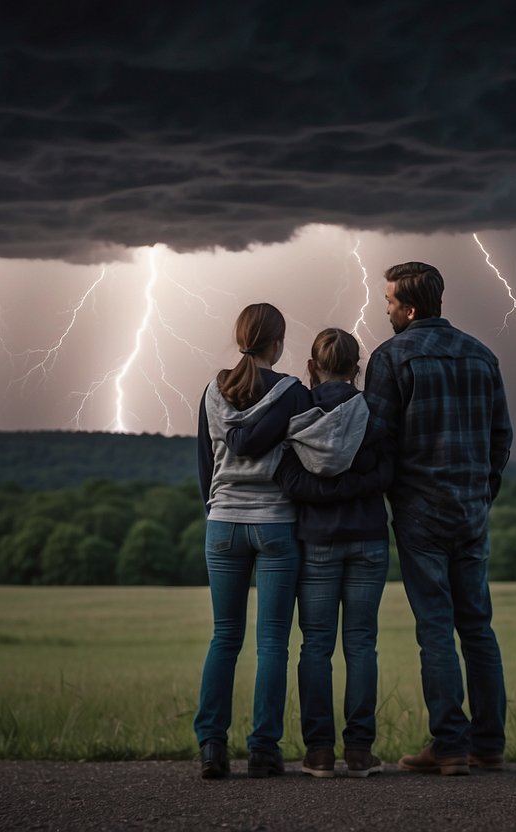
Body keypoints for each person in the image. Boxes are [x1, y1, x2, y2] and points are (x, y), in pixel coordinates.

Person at [363, 261, 513, 776]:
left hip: (420, 511)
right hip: (471, 510)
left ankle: (449, 746)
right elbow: (502, 437)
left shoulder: (391, 358)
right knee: (477, 627)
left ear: (408, 307)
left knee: (435, 629)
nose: (383, 310)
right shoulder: (482, 356)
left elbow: (378, 440)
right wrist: (481, 491)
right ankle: (489, 744)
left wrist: (389, 499)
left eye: (387, 302)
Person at [225, 328, 392, 779]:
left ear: (312, 368)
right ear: (357, 368)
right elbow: (388, 473)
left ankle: (318, 752)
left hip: (317, 541)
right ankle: (359, 751)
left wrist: (325, 494)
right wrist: (354, 487)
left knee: (316, 646)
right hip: (370, 540)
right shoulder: (375, 412)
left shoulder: (299, 407)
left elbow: (288, 478)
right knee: (361, 645)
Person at [193, 302, 317, 779]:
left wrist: (217, 510)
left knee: (224, 637)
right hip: (276, 525)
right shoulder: (292, 392)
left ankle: (212, 746)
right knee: (272, 644)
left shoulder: (211, 390)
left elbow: (205, 465)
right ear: (278, 343)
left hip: (222, 524)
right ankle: (264, 749)